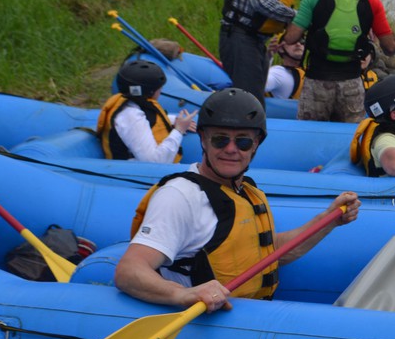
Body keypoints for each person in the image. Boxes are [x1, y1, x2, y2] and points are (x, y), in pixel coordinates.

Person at [114, 87, 360, 311]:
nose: (231, 149)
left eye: (243, 141)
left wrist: (328, 220)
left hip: (250, 316)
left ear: (255, 145)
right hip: (206, 329)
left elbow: (270, 252)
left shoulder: (246, 191)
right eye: (220, 139)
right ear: (203, 139)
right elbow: (129, 269)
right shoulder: (180, 196)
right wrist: (183, 294)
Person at [282, 0, 395, 123]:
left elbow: (290, 38)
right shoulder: (372, 1)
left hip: (316, 83)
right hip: (351, 85)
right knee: (350, 137)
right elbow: (390, 48)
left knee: (309, 134)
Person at [97, 59, 197, 163]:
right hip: (138, 170)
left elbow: (152, 119)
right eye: (159, 89)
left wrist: (173, 121)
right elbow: (154, 162)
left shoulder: (133, 103)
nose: (161, 91)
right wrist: (179, 130)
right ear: (149, 92)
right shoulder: (131, 116)